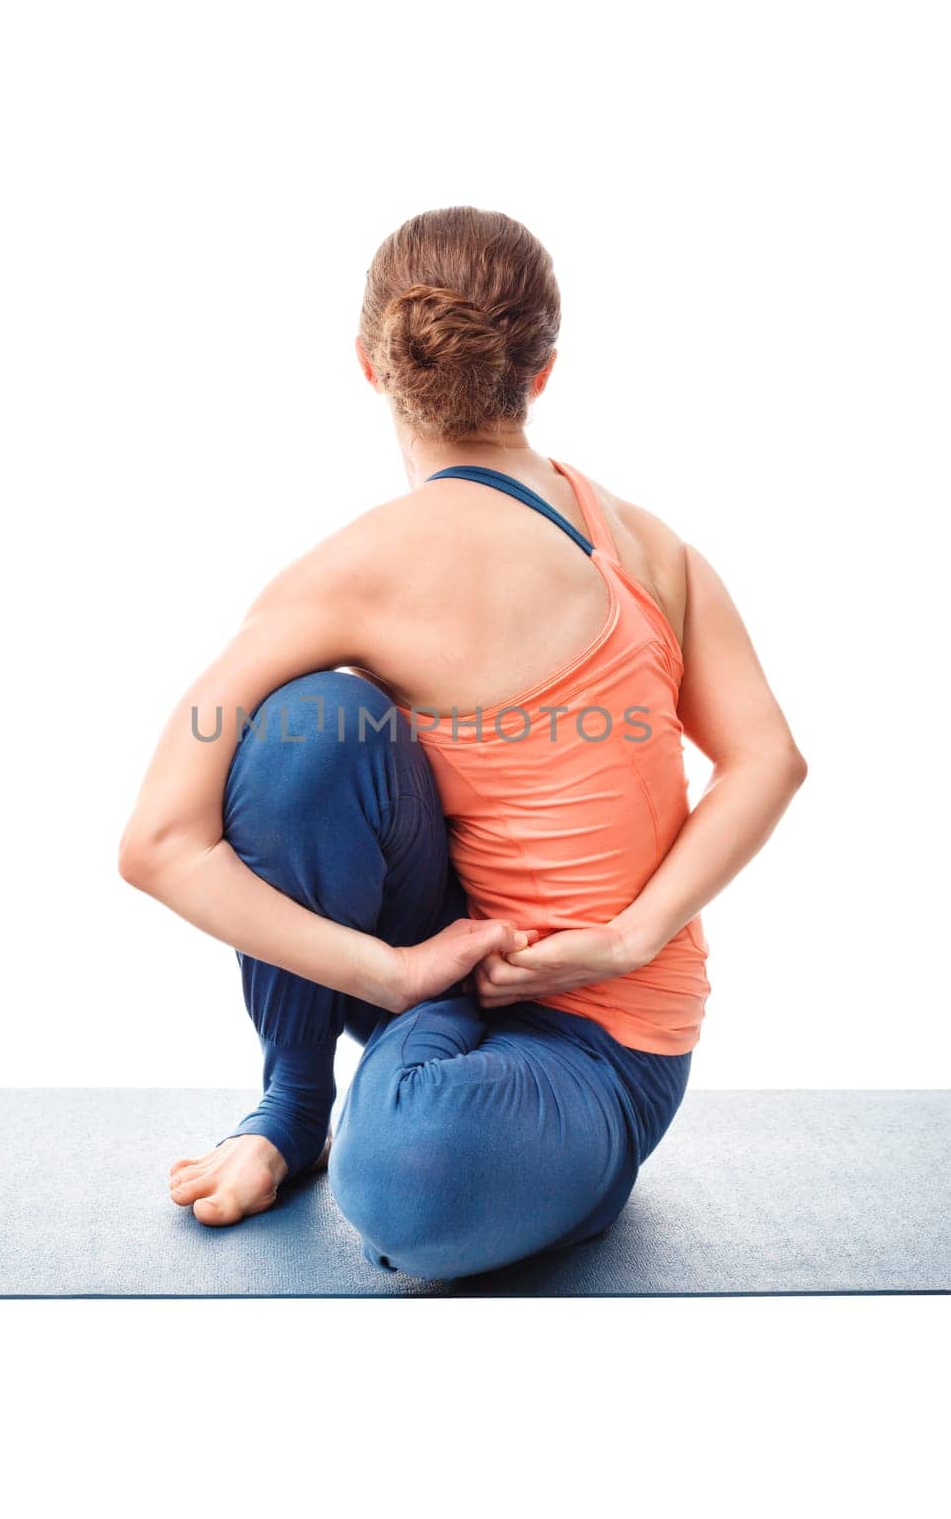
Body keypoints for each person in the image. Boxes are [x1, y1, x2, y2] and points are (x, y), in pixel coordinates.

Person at [118, 206, 807, 1281]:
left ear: (366, 366)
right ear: (540, 372)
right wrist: (399, 971)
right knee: (312, 727)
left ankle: (388, 1107)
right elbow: (766, 759)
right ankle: (295, 1109)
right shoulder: (651, 546)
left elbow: (158, 840)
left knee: (411, 1182)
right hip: (467, 968)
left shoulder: (342, 573)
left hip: (596, 1044)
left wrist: (607, 947)